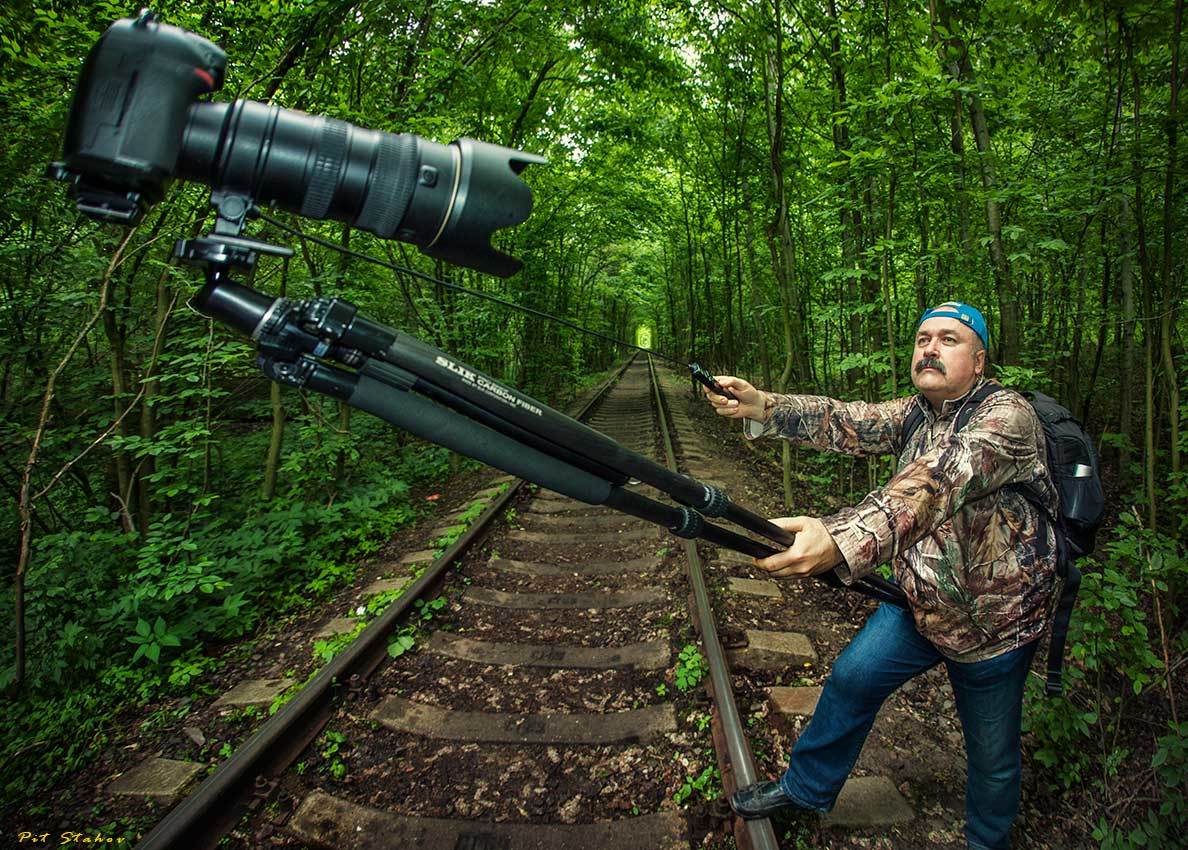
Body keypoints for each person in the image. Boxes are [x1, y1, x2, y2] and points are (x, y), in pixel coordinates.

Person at [702, 302, 1058, 850]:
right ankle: (806, 788)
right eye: (922, 339)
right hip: (918, 604)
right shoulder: (918, 413)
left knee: (991, 756)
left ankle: (986, 842)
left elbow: (935, 481)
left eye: (948, 339)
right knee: (851, 680)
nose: (930, 348)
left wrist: (841, 537)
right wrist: (763, 406)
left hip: (994, 627)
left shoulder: (1005, 418)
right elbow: (845, 419)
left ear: (980, 360)